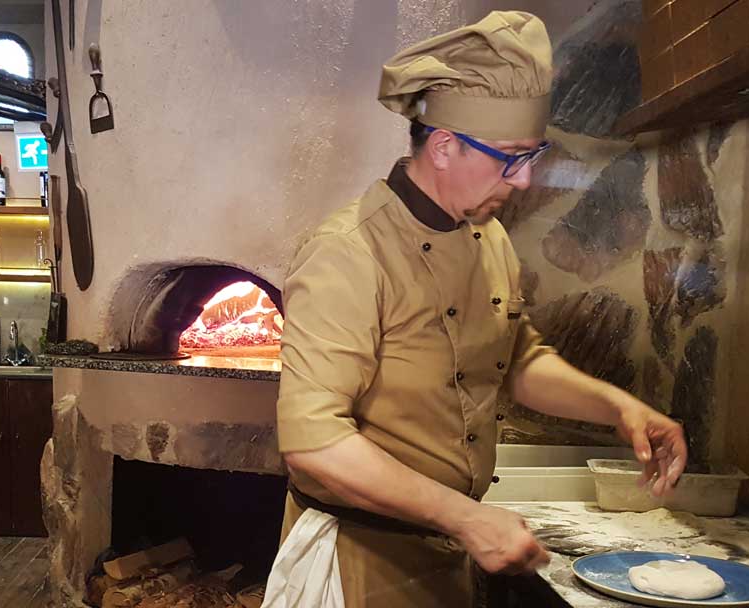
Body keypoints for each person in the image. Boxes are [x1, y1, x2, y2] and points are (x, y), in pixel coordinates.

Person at [271, 11, 687, 607]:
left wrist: (619, 408)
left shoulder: (487, 237)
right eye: (510, 157)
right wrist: (467, 519)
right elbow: (314, 445)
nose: (524, 181)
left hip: (447, 556)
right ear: (443, 147)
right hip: (360, 562)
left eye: (531, 155)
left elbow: (514, 358)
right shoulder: (347, 254)